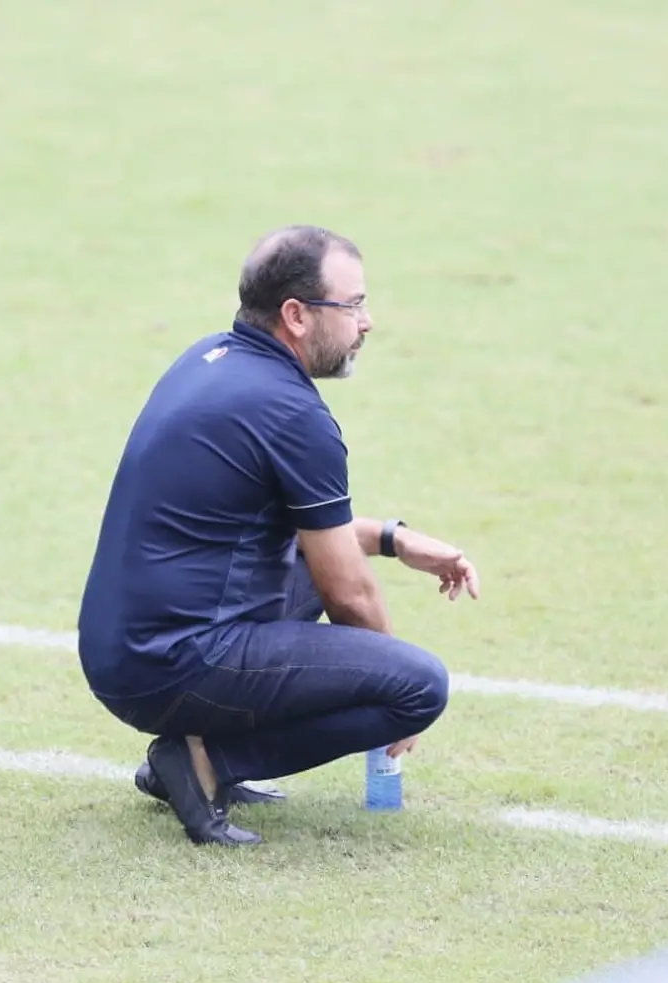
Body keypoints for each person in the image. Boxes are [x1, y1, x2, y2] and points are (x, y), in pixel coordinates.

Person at [76, 225, 480, 846]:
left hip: (122, 650)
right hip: (171, 662)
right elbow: (348, 594)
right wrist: (394, 684)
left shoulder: (209, 358)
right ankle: (206, 764)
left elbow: (299, 531)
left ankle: (196, 752)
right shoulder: (293, 414)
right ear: (296, 315)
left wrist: (393, 539)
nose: (367, 322)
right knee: (421, 685)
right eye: (352, 305)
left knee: (311, 574)